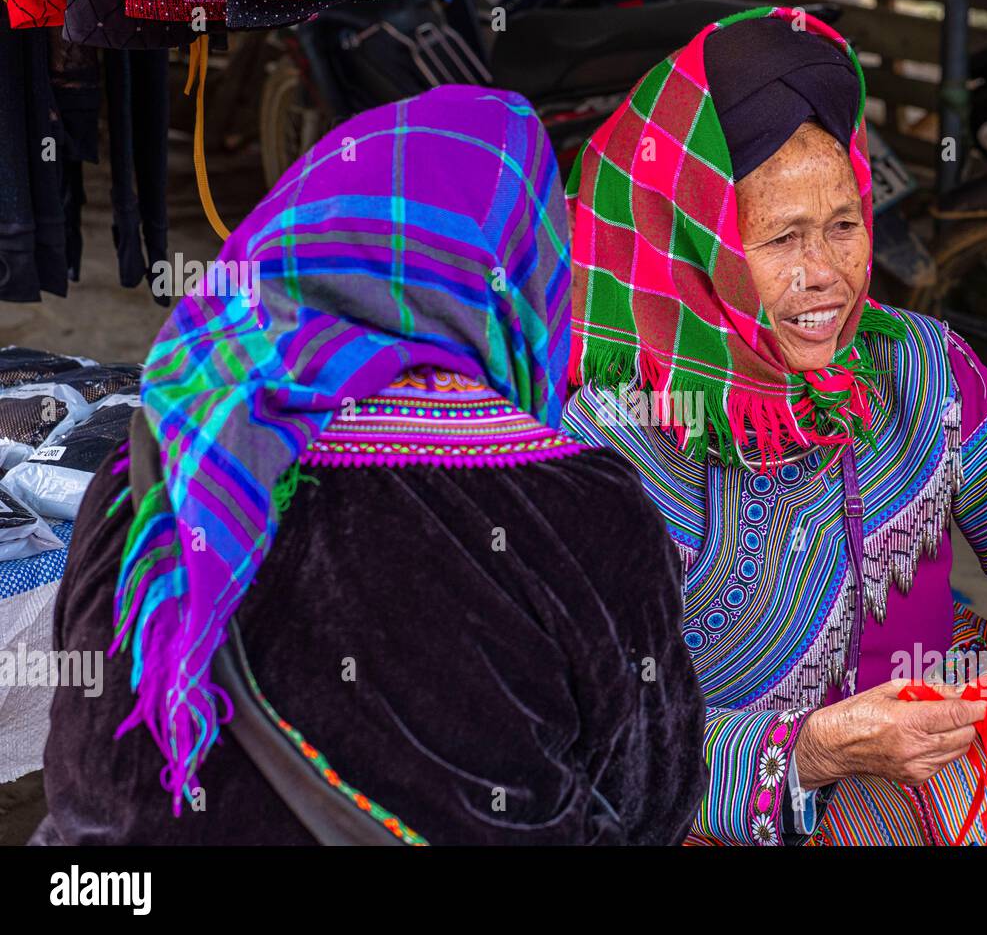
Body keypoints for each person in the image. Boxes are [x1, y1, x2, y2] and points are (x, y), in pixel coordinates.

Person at [562, 9, 987, 845]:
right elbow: (590, 735)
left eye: (845, 225)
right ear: (692, 246)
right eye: (781, 238)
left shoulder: (914, 364)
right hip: (719, 808)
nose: (827, 276)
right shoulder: (601, 438)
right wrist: (808, 755)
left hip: (949, 733)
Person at [31, 85, 706, 845]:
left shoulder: (155, 461)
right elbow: (653, 800)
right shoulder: (586, 508)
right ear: (526, 269)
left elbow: (83, 761)